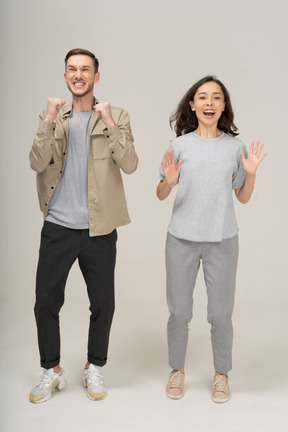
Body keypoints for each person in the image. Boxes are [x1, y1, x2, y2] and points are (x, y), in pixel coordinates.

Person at [29, 48, 138, 403]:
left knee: (103, 303)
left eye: (85, 69)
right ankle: (52, 371)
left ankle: (95, 367)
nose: (78, 75)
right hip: (58, 225)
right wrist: (47, 119)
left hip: (99, 228)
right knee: (45, 302)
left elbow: (130, 163)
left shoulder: (117, 115)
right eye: (72, 69)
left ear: (96, 77)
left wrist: (107, 122)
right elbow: (36, 162)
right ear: (65, 76)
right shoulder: (53, 118)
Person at [157, 76, 267, 403]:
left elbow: (243, 198)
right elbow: (161, 193)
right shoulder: (179, 146)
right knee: (179, 312)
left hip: (222, 240)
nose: (209, 103)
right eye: (202, 97)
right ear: (192, 105)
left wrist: (251, 174)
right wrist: (169, 181)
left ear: (223, 106)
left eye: (216, 97)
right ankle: (177, 369)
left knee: (220, 313)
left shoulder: (235, 148)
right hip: (181, 239)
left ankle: (222, 375)